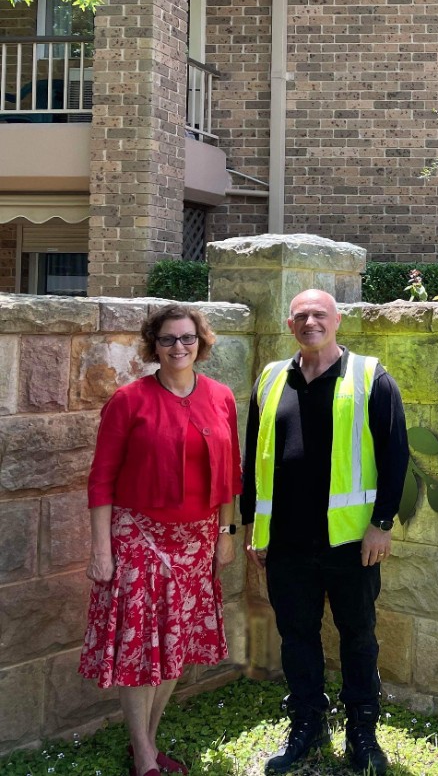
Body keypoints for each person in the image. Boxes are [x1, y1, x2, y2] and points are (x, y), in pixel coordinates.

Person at [242, 289, 408, 776]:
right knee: (296, 637)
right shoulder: (272, 378)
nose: (310, 321)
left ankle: (363, 733)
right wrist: (254, 524)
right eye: (300, 316)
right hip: (287, 542)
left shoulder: (370, 377)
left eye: (319, 314)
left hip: (351, 543)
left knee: (359, 637)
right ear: (289, 324)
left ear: (337, 320)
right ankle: (307, 725)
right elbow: (253, 457)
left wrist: (382, 524)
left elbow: (395, 456)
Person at [80, 304, 241, 776]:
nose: (179, 347)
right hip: (138, 535)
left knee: (174, 642)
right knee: (138, 646)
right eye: (168, 339)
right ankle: (144, 754)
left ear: (201, 343)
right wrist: (101, 550)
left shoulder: (221, 397)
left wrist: (226, 534)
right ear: (154, 346)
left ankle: (145, 744)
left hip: (197, 538)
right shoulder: (128, 401)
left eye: (187, 338)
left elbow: (231, 474)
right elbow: (101, 480)